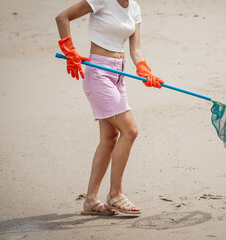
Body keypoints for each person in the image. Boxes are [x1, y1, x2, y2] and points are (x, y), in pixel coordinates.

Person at [55, 0, 164, 215]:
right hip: (99, 73)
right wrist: (70, 51)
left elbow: (136, 47)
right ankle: (115, 195)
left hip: (119, 74)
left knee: (109, 138)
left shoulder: (134, 7)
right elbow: (62, 18)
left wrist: (143, 69)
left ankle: (90, 201)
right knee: (130, 130)